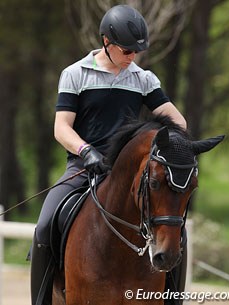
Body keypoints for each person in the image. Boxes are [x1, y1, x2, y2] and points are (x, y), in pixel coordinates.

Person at [30, 4, 187, 305]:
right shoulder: (76, 74)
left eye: (137, 52)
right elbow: (61, 127)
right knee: (45, 224)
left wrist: (154, 142)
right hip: (83, 166)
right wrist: (85, 151)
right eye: (127, 51)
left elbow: (178, 123)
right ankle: (40, 299)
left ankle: (173, 300)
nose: (133, 58)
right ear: (107, 42)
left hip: (127, 171)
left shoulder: (143, 79)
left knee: (176, 231)